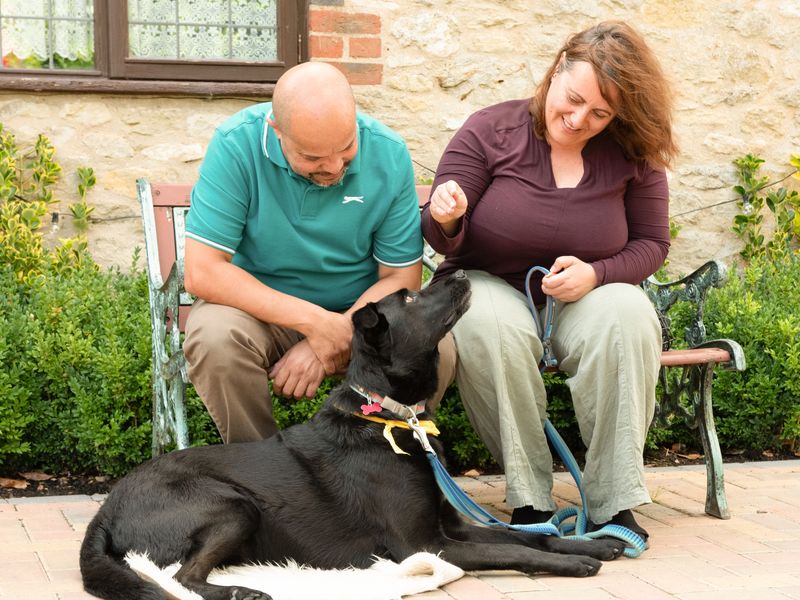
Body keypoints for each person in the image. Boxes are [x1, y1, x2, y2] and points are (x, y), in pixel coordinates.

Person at [421, 21, 678, 539]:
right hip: (489, 281)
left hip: (585, 294)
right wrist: (447, 212)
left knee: (629, 315)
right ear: (557, 69)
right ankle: (531, 503)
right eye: (575, 98)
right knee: (490, 321)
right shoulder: (490, 129)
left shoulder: (634, 155)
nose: (580, 119)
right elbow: (436, 229)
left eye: (600, 114)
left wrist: (597, 274)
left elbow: (653, 245)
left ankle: (613, 503)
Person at [183, 61, 455, 444]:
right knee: (214, 338)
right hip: (259, 314)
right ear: (277, 131)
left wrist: (339, 332)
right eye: (312, 158)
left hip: (361, 313)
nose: (333, 167)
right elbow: (203, 272)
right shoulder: (236, 145)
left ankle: (386, 468)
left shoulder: (387, 152)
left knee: (437, 343)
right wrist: (314, 324)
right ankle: (262, 477)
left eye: (346, 149)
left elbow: (400, 279)